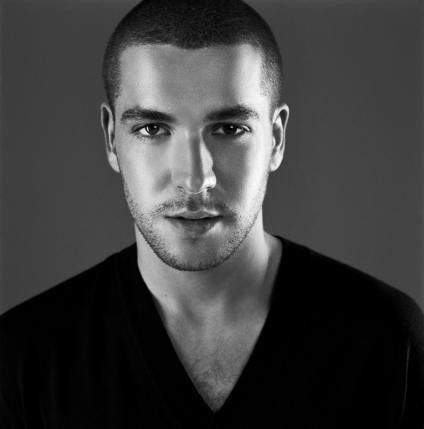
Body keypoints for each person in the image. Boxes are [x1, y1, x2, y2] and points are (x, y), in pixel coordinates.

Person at [1, 0, 423, 427]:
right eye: (152, 129)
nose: (194, 179)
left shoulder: (387, 340)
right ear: (112, 138)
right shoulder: (24, 357)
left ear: (276, 139)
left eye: (229, 129)